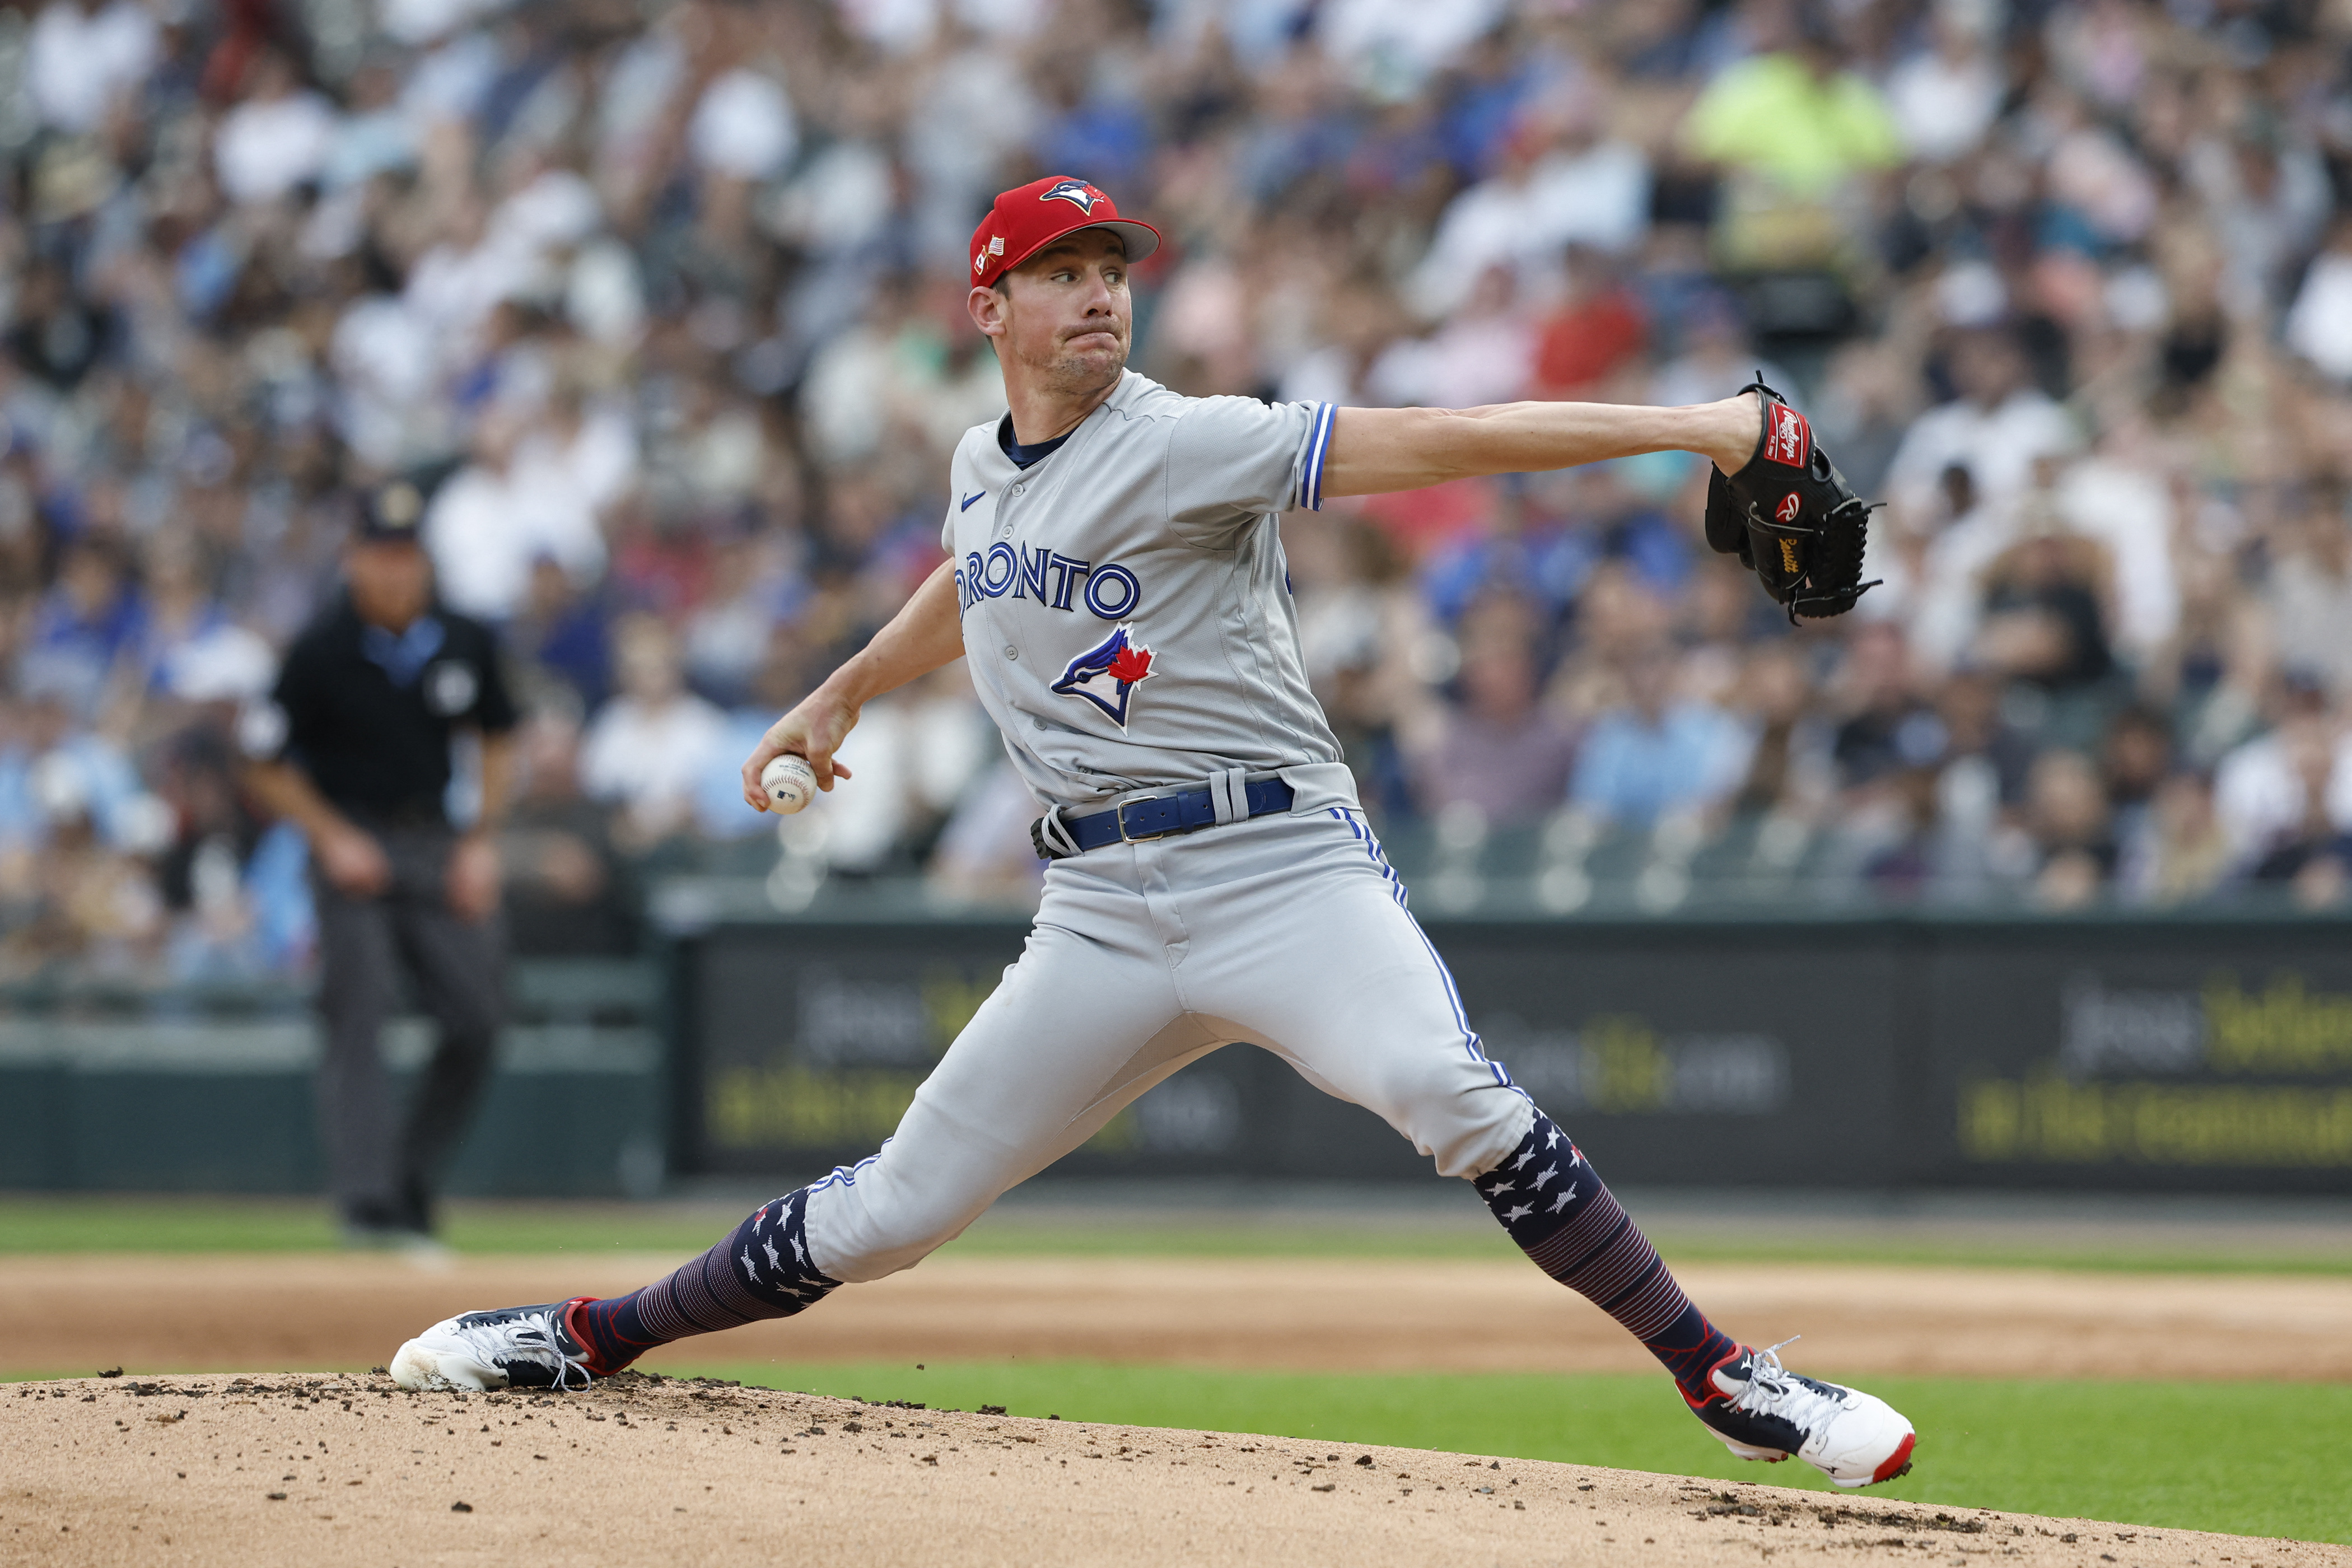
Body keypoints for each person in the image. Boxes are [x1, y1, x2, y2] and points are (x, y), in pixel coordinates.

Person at [388, 176, 1917, 1490]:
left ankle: (1726, 1382)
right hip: (1101, 908)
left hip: (1278, 870)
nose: (1100, 299)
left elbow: (1447, 436)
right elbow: (979, 577)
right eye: (1063, 275)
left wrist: (1704, 427)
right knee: (892, 1211)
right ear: (990, 306)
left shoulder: (1191, 441)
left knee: (1454, 1097)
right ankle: (584, 1337)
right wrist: (844, 689)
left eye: (1114, 274)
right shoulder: (980, 467)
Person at [243, 484, 520, 1247]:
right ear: (354, 560)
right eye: (382, 554)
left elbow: (497, 735)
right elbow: (263, 760)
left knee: (479, 1016)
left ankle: (408, 1178)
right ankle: (368, 1205)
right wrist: (330, 836)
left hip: (438, 841)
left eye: (408, 554)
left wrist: (483, 838)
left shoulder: (463, 637)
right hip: (353, 846)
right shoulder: (322, 646)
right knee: (357, 1015)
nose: (396, 570)